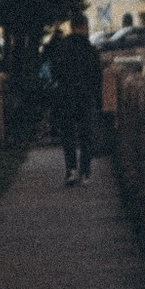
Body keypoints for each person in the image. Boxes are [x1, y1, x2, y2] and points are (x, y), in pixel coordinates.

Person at [45, 19, 102, 186]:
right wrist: (96, 98)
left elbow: (54, 71)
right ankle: (85, 173)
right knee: (86, 135)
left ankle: (71, 170)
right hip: (85, 95)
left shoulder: (62, 48)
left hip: (66, 95)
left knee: (68, 134)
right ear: (84, 27)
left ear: (71, 27)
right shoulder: (90, 49)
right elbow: (97, 76)